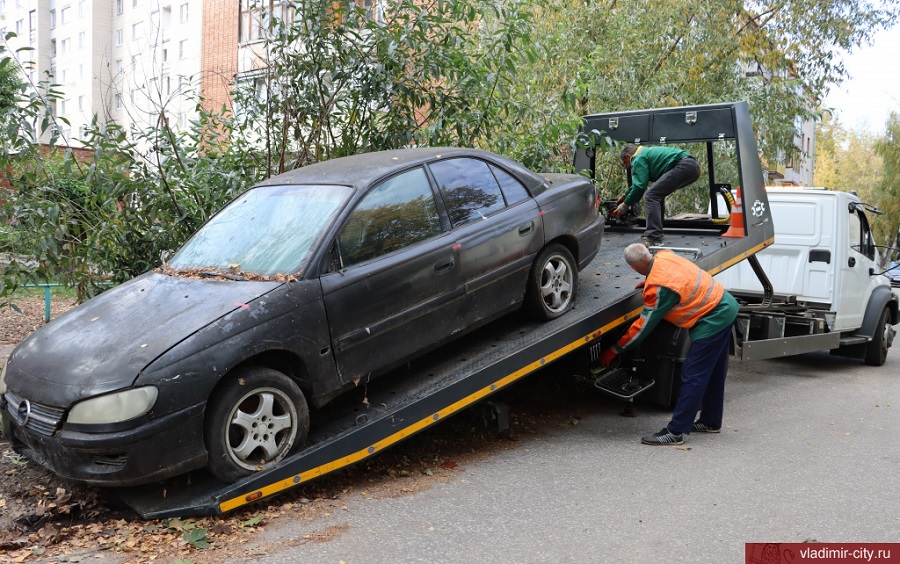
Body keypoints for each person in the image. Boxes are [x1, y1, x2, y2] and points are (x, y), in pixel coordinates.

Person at [599, 243, 739, 445]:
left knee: (693, 375)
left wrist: (614, 349)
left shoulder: (659, 288)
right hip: (725, 304)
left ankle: (675, 432)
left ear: (633, 268)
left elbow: (642, 328)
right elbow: (669, 275)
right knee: (715, 372)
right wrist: (650, 282)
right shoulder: (664, 255)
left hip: (712, 318)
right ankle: (711, 421)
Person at [613, 143, 701, 246]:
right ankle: (657, 231)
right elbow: (639, 183)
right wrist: (624, 197)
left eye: (626, 163)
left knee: (651, 195)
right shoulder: (645, 152)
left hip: (683, 166)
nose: (628, 166)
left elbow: (640, 187)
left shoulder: (637, 157)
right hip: (692, 167)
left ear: (628, 156)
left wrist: (624, 206)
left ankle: (654, 236)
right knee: (657, 194)